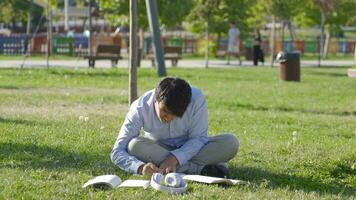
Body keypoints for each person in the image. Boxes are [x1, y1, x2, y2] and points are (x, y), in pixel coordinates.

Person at [111, 77, 239, 178]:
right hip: (158, 150)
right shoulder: (139, 108)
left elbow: (199, 139)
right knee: (134, 145)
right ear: (156, 98)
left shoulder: (196, 99)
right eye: (165, 112)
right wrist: (139, 168)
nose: (168, 119)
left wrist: (174, 159)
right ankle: (201, 169)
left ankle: (176, 168)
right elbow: (117, 152)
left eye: (175, 116)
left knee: (230, 143)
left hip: (191, 149)